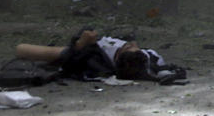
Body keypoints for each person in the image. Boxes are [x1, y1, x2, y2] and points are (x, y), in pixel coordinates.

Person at [15, 28, 175, 81]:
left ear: (118, 56)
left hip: (77, 51)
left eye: (128, 47)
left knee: (22, 50)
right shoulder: (149, 57)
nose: (133, 44)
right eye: (133, 46)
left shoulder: (99, 58)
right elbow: (162, 70)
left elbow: (72, 59)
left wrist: (82, 43)